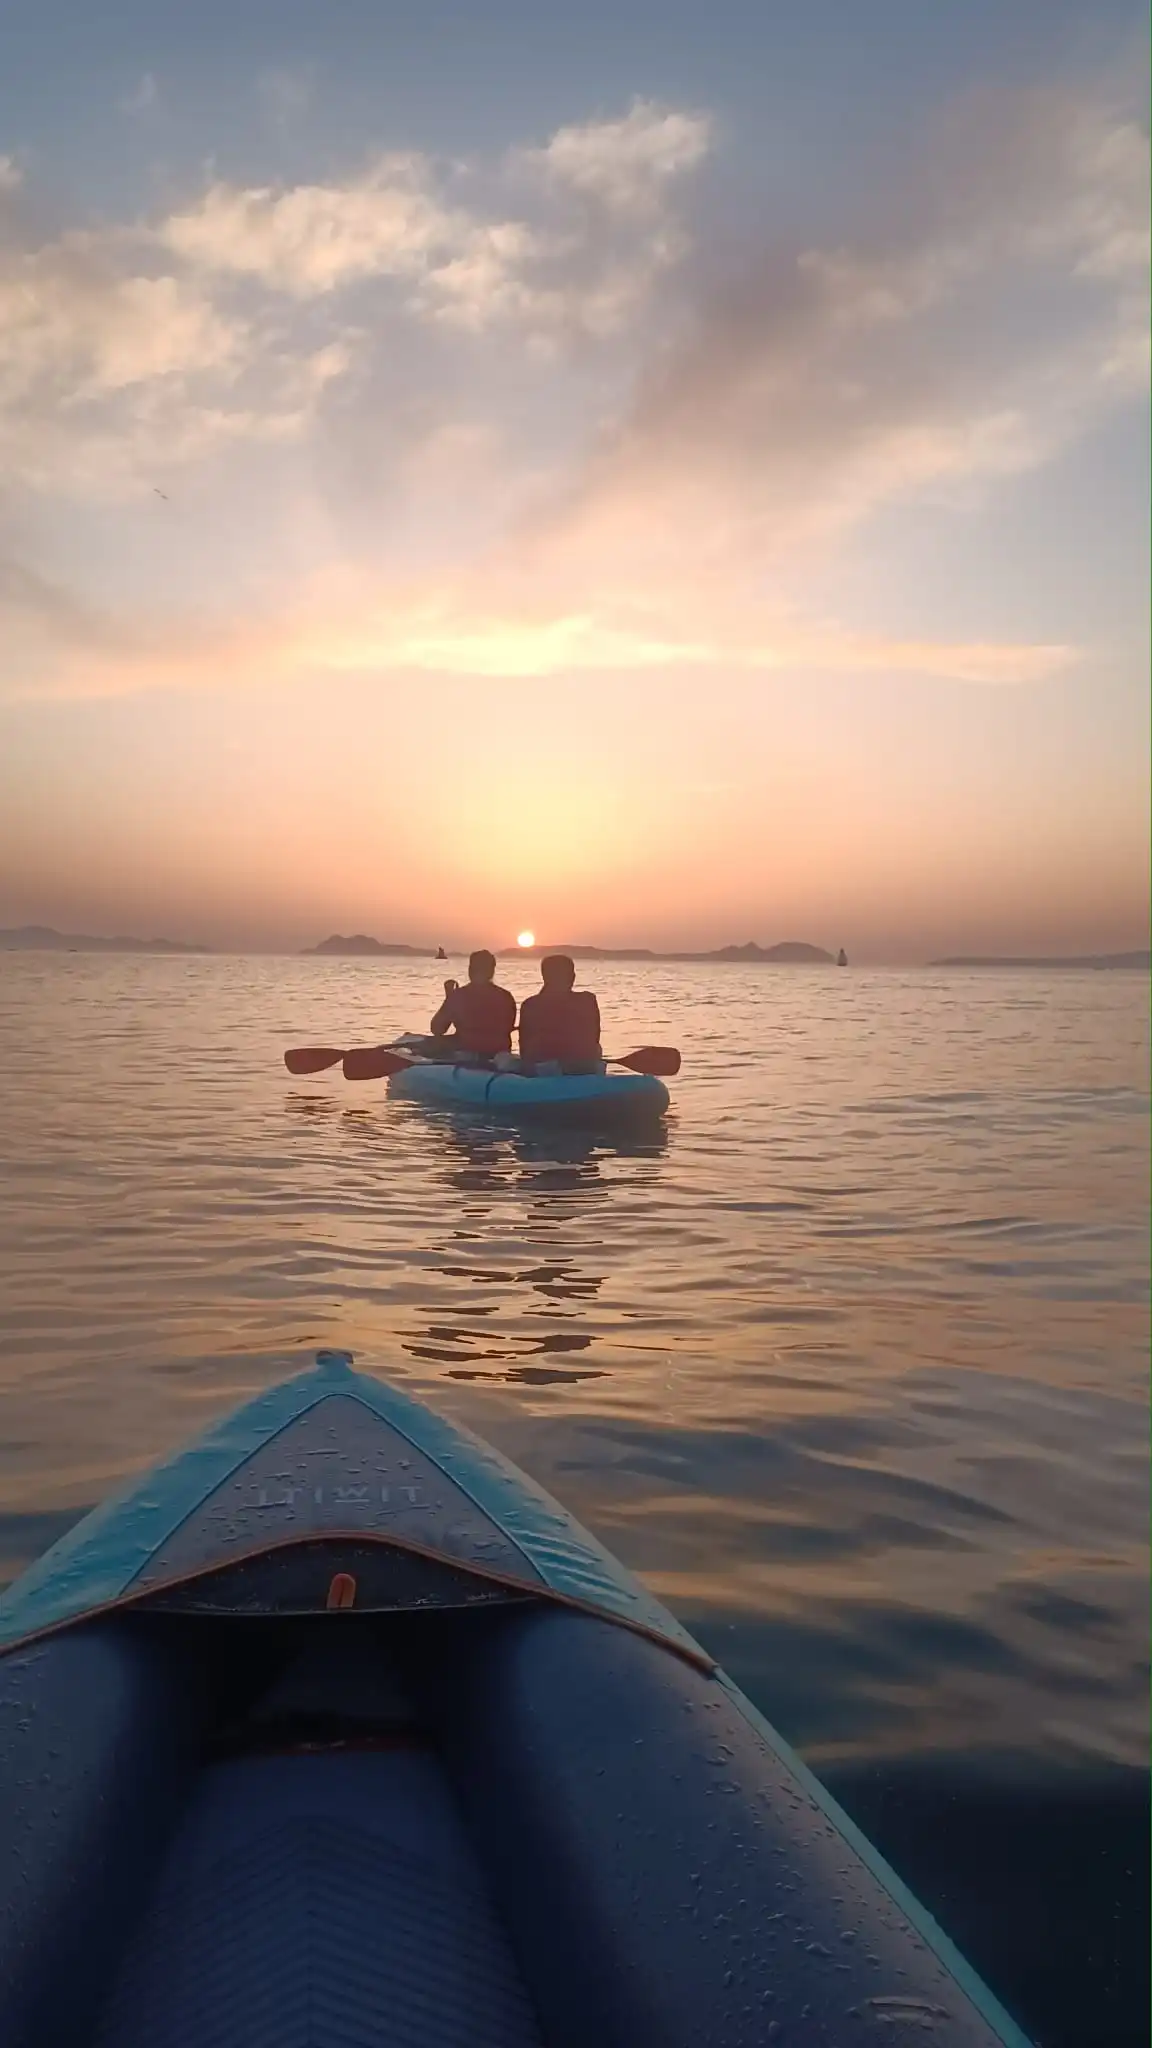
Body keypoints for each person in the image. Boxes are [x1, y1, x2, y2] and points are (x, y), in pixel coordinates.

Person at [518, 955, 602, 1073]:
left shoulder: (531, 1004)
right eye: (570, 973)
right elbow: (595, 1036)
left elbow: (524, 1048)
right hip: (584, 1066)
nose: (573, 977)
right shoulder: (588, 1000)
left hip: (546, 1068)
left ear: (545, 977)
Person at [428, 949, 516, 1061]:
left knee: (433, 1043)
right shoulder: (506, 997)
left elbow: (437, 1028)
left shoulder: (459, 996)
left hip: (467, 1053)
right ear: (492, 971)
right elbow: (508, 1026)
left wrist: (449, 998)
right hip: (498, 1054)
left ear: (470, 970)